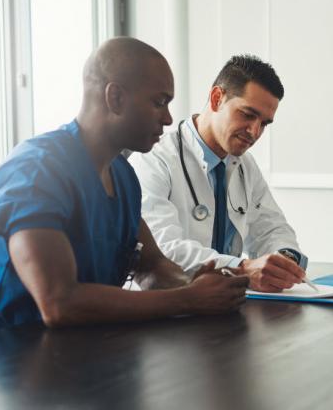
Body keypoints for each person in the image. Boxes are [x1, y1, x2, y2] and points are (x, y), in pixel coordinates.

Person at [0, 37, 249, 336]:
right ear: (116, 98)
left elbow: (151, 267)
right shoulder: (35, 169)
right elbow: (59, 302)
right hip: (3, 359)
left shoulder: (122, 175)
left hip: (83, 350)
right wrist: (187, 299)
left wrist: (194, 282)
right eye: (159, 102)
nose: (168, 118)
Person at [129, 55, 308, 293]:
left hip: (222, 304)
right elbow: (164, 251)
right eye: (247, 114)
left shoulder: (245, 165)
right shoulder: (154, 159)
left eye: (264, 123)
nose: (254, 131)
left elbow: (272, 227)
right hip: (165, 308)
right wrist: (242, 268)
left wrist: (283, 259)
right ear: (216, 99)